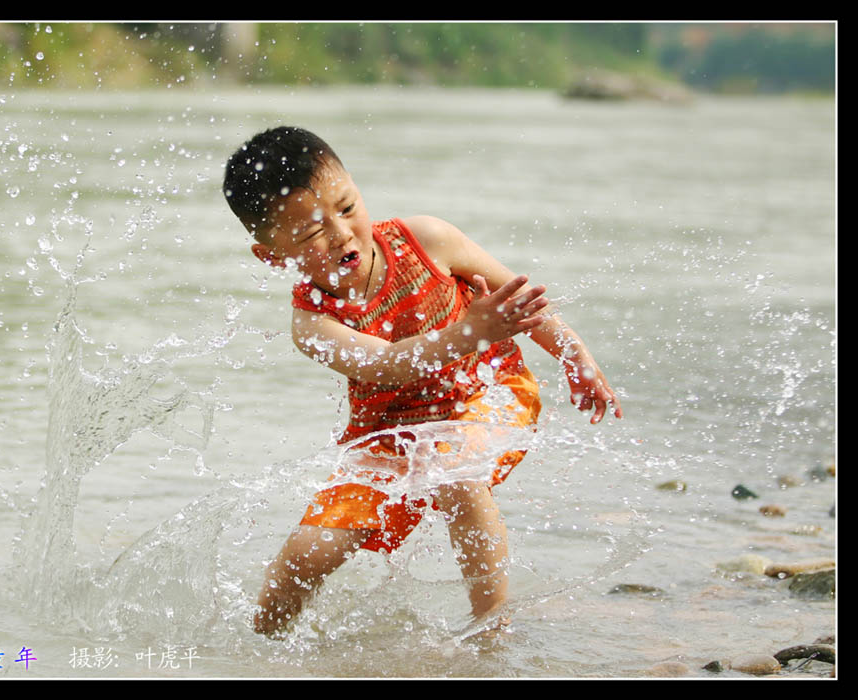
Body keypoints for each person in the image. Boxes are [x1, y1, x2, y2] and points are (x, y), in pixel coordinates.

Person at [222, 126, 622, 637]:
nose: (341, 234)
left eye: (347, 207)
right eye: (310, 234)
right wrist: (467, 331)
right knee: (307, 553)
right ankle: (257, 649)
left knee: (457, 470)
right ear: (274, 256)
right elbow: (390, 364)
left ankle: (491, 633)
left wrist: (575, 356)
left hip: (488, 389)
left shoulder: (427, 239)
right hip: (388, 433)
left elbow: (514, 297)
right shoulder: (313, 327)